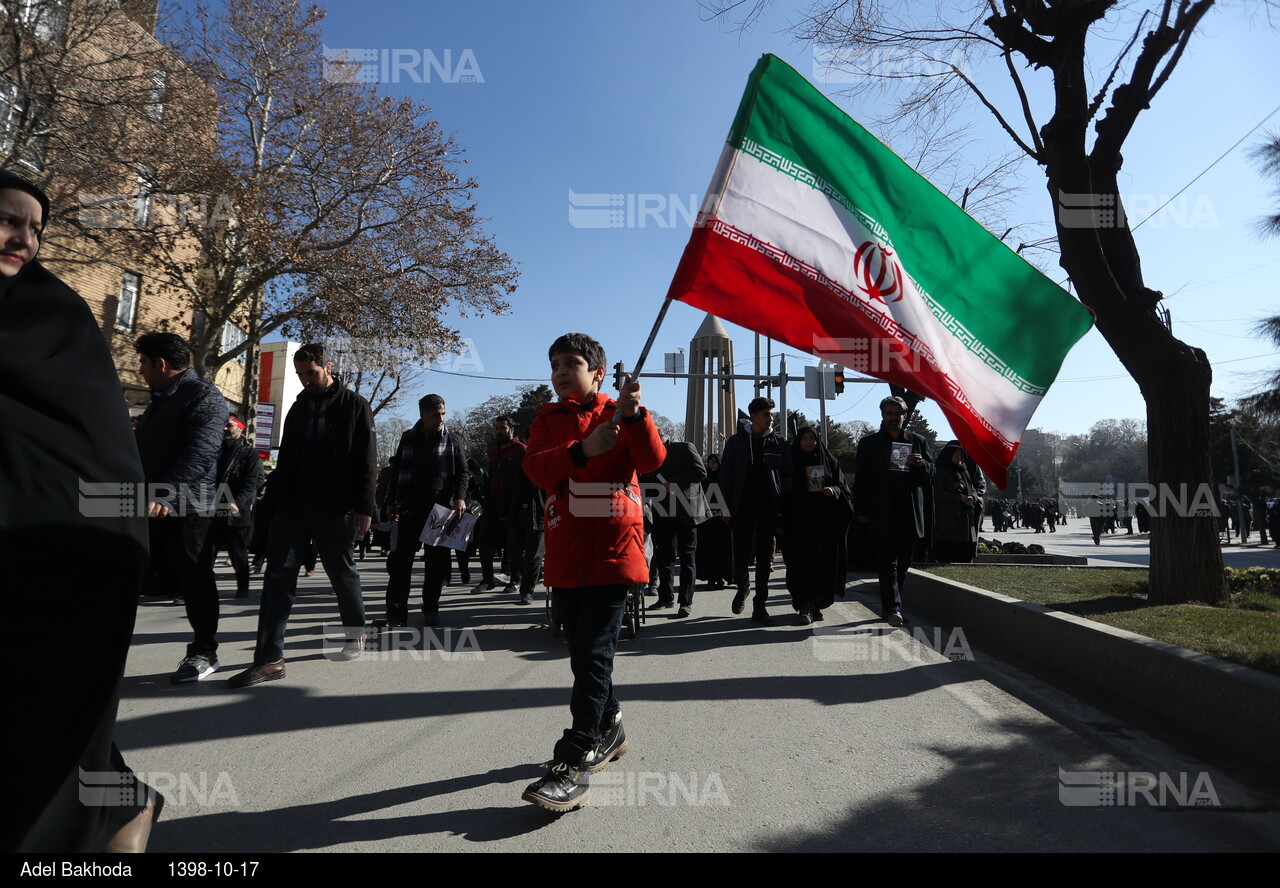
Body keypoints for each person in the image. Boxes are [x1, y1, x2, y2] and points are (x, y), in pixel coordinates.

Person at [2, 171, 159, 851]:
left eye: (35, 228)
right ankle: (120, 808)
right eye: (9, 221)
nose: (24, 239)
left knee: (40, 728)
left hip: (65, 555)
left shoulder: (50, 316)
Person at [520, 333, 664, 812]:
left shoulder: (621, 412)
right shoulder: (546, 418)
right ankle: (612, 721)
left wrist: (636, 416)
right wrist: (583, 449)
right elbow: (538, 470)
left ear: (598, 372)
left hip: (614, 553)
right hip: (566, 554)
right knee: (583, 651)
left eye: (572, 363)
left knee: (594, 654)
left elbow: (651, 460)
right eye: (555, 363)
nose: (561, 371)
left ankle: (576, 756)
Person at [229, 343, 377, 687]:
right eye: (300, 375)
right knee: (278, 577)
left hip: (335, 506)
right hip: (294, 504)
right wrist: (272, 494)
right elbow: (288, 456)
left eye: (310, 372)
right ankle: (269, 658)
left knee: (342, 574)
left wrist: (364, 507)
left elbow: (366, 461)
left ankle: (355, 634)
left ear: (328, 367)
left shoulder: (355, 405)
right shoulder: (298, 407)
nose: (305, 380)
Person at [134, 331, 228, 682]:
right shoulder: (159, 400)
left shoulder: (203, 397)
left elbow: (200, 454)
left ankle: (204, 652)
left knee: (195, 579)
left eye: (144, 363)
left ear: (161, 364)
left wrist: (165, 494)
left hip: (189, 507)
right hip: (148, 505)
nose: (141, 370)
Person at [384, 394, 470, 627]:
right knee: (401, 563)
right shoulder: (407, 438)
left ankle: (430, 608)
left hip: (439, 513)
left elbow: (463, 473)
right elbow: (397, 470)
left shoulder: (453, 440)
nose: (440, 418)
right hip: (410, 509)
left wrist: (460, 498)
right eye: (435, 414)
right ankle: (396, 613)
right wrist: (390, 501)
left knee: (435, 564)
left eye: (443, 413)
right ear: (422, 414)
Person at [852, 396, 935, 626]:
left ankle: (891, 604)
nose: (892, 418)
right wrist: (860, 509)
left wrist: (921, 464)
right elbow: (862, 480)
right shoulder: (869, 443)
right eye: (888, 413)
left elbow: (932, 472)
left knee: (904, 563)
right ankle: (893, 609)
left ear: (904, 416)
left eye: (896, 414)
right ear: (882, 415)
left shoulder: (918, 441)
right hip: (881, 511)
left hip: (909, 511)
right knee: (887, 562)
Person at [719, 397, 791, 626]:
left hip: (768, 509)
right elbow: (726, 476)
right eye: (767, 414)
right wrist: (724, 505)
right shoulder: (736, 442)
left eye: (771, 414)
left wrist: (782, 501)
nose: (771, 418)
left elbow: (788, 475)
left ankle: (760, 607)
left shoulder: (780, 443)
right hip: (742, 507)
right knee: (739, 555)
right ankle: (743, 586)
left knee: (764, 560)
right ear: (754, 416)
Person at [782, 426, 852, 623]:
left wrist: (833, 491)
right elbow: (782, 491)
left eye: (812, 438)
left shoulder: (829, 461)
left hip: (825, 525)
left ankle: (816, 603)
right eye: (804, 438)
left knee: (823, 566)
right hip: (798, 525)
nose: (809, 441)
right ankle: (804, 604)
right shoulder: (790, 462)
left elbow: (844, 489)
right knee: (801, 565)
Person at [646, 430, 708, 617]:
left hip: (687, 511)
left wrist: (674, 483)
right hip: (663, 511)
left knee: (687, 557)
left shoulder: (684, 448)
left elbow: (701, 472)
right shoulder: (652, 457)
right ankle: (666, 597)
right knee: (664, 557)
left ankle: (685, 602)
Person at [471, 415, 527, 598]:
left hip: (514, 504)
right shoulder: (494, 453)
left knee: (514, 544)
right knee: (484, 540)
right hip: (493, 503)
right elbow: (491, 477)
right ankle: (487, 580)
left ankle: (515, 580)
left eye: (502, 428)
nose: (499, 432)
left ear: (511, 430)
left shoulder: (521, 450)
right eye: (496, 428)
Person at [210, 416, 262, 598]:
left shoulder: (249, 454)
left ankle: (242, 587)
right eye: (224, 425)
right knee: (207, 551)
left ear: (240, 429)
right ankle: (200, 588)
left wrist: (237, 502)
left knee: (237, 552)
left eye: (230, 425)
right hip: (214, 507)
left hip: (235, 510)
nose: (225, 429)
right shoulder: (217, 451)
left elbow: (251, 483)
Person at [932, 442, 981, 564]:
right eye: (955, 456)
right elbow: (938, 493)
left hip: (965, 519)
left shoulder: (964, 471)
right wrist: (961, 498)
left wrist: (972, 498)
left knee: (964, 552)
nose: (959, 459)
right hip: (948, 518)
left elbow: (973, 489)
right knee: (948, 552)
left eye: (960, 456)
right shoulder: (941, 472)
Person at [696, 454, 733, 589]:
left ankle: (725, 575)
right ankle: (711, 577)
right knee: (709, 549)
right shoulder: (705, 479)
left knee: (724, 548)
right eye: (710, 462)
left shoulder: (724, 478)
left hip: (723, 520)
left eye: (715, 462)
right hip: (708, 520)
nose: (712, 465)